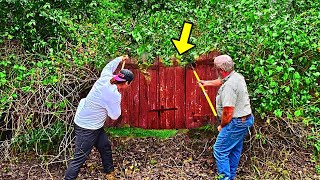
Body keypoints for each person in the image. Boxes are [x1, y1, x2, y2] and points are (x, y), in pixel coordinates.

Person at [64, 55, 134, 180]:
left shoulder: (106, 77)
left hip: (93, 122)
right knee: (80, 158)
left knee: (104, 146)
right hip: (86, 126)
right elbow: (115, 115)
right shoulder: (113, 95)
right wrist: (115, 100)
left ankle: (109, 173)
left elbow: (109, 66)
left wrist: (120, 58)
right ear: (127, 83)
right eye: (130, 84)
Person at [199, 55, 254, 180]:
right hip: (245, 120)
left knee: (220, 150)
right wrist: (206, 83)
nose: (215, 71)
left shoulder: (229, 87)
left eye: (216, 69)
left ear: (220, 70)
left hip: (236, 122)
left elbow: (228, 112)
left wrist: (222, 126)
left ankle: (225, 178)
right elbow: (222, 80)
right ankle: (230, 177)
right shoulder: (236, 76)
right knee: (234, 149)